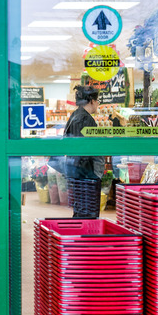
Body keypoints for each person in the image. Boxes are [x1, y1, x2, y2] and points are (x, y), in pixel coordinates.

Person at [63, 85, 104, 218]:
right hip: (86, 175)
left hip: (78, 173)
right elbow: (85, 150)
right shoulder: (85, 119)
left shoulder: (76, 116)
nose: (98, 104)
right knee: (87, 214)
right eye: (97, 101)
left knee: (81, 211)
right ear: (92, 100)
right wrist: (94, 176)